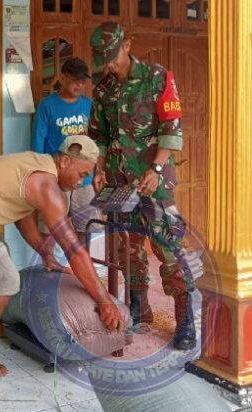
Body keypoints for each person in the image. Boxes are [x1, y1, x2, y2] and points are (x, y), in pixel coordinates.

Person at [0, 135, 124, 377]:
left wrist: (45, 253)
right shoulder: (47, 187)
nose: (81, 182)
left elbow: (21, 212)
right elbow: (75, 251)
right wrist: (104, 300)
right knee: (6, 279)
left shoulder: (38, 165)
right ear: (65, 161)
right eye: (81, 174)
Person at [88, 21, 196, 350]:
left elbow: (171, 130)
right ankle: (139, 307)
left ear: (128, 44)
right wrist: (99, 168)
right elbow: (99, 136)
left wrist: (156, 167)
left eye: (112, 56)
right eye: (103, 59)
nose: (109, 64)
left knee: (168, 248)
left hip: (154, 184)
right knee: (127, 249)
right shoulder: (103, 89)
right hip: (119, 183)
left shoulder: (157, 78)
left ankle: (185, 319)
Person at [32, 57, 100, 239]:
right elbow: (38, 140)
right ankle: (48, 258)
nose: (79, 85)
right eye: (75, 80)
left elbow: (97, 139)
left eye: (83, 81)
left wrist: (98, 171)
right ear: (63, 78)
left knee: (89, 228)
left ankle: (84, 258)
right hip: (56, 177)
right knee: (51, 228)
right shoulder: (47, 105)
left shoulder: (88, 105)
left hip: (84, 179)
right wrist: (41, 174)